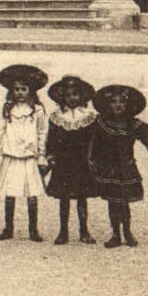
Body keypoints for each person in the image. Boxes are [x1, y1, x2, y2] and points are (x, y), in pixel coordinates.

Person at [88, 84, 148, 248]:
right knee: (113, 201)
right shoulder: (102, 123)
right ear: (108, 104)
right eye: (114, 102)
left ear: (128, 105)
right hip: (109, 167)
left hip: (126, 167)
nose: (118, 105)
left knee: (123, 201)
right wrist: (91, 160)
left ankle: (127, 231)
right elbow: (92, 142)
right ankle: (115, 234)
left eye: (122, 102)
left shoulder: (133, 125)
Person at [0, 64, 49, 242]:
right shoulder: (8, 109)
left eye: (23, 89)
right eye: (16, 89)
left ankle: (33, 229)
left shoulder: (37, 110)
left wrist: (41, 156)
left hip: (29, 159)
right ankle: (8, 228)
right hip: (12, 157)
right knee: (10, 193)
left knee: (32, 194)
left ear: (30, 91)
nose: (19, 92)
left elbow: (42, 133)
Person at [44, 75, 98, 245]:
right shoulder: (57, 117)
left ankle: (84, 230)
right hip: (64, 162)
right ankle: (63, 231)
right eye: (68, 95)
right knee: (64, 197)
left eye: (76, 94)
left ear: (82, 96)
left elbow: (94, 140)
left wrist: (95, 158)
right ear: (62, 97)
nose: (72, 98)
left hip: (82, 162)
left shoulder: (89, 116)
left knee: (82, 197)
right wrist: (50, 158)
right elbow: (51, 140)